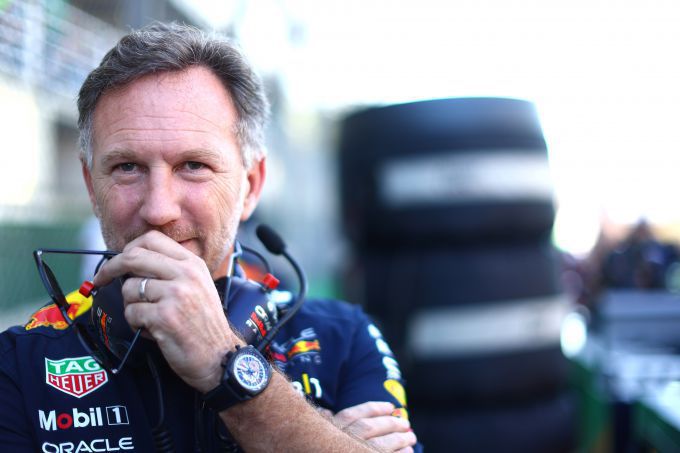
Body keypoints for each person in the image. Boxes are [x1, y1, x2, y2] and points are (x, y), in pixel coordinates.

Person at [0, 22, 418, 452]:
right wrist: (318, 436)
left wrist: (222, 360)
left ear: (251, 185)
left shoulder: (343, 338)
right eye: (127, 167)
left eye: (193, 166)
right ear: (92, 186)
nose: (159, 209)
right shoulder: (17, 363)